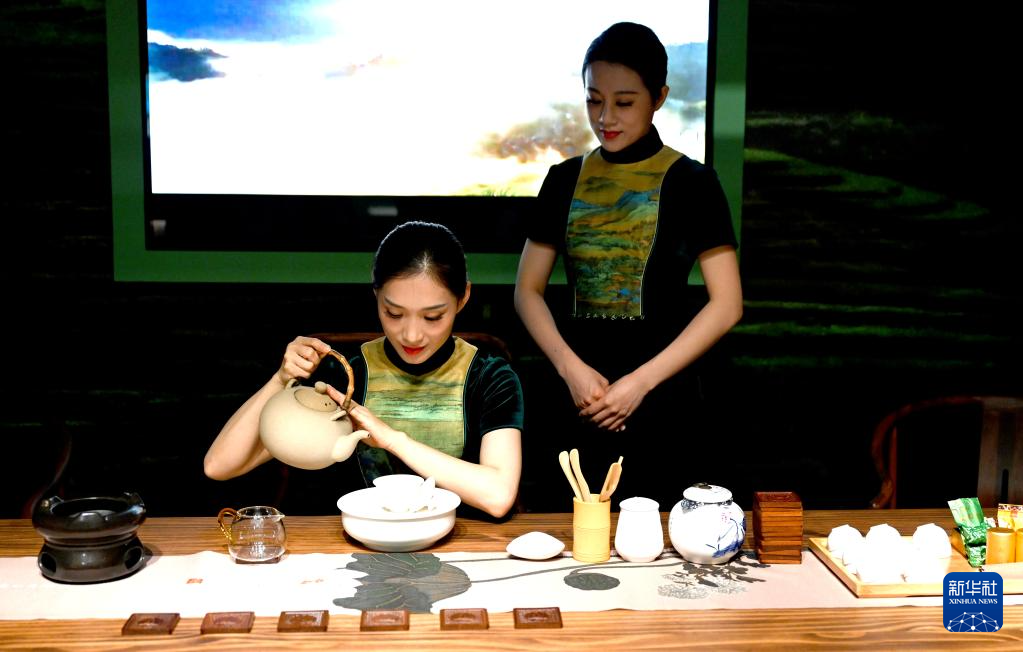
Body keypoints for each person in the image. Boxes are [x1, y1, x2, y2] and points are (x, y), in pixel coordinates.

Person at [514, 22, 742, 508]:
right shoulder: (562, 179)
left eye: (623, 102)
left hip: (664, 397)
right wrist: (571, 370)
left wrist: (639, 384)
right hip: (577, 395)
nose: (605, 117)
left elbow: (727, 305)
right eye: (594, 100)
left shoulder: (694, 182)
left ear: (659, 97)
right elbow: (526, 291)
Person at [205, 221, 523, 518]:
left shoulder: (489, 376)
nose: (412, 335)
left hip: (458, 542)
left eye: (432, 317)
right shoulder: (346, 376)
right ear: (376, 295)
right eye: (394, 313)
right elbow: (220, 465)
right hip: (359, 545)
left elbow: (498, 496)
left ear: (463, 297)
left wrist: (392, 439)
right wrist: (281, 379)